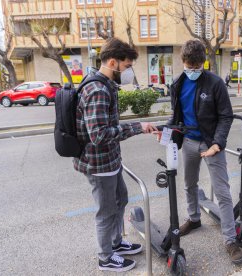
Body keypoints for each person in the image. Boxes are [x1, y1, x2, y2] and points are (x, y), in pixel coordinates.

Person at [73, 38, 157, 272]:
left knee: (120, 199)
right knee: (106, 210)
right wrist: (137, 127)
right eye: (127, 66)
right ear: (113, 62)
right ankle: (106, 257)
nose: (129, 71)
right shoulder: (97, 89)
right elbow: (98, 135)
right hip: (99, 165)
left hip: (110, 161)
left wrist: (138, 126)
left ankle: (116, 243)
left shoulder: (104, 84)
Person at [166, 39, 242, 264]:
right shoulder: (178, 83)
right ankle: (193, 218)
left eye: (197, 66)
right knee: (189, 184)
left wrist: (217, 144)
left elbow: (226, 116)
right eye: (189, 66)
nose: (193, 70)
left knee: (222, 192)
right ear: (183, 61)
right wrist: (166, 130)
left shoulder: (215, 83)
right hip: (189, 142)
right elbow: (176, 115)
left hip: (211, 144)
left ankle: (230, 240)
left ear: (204, 63)